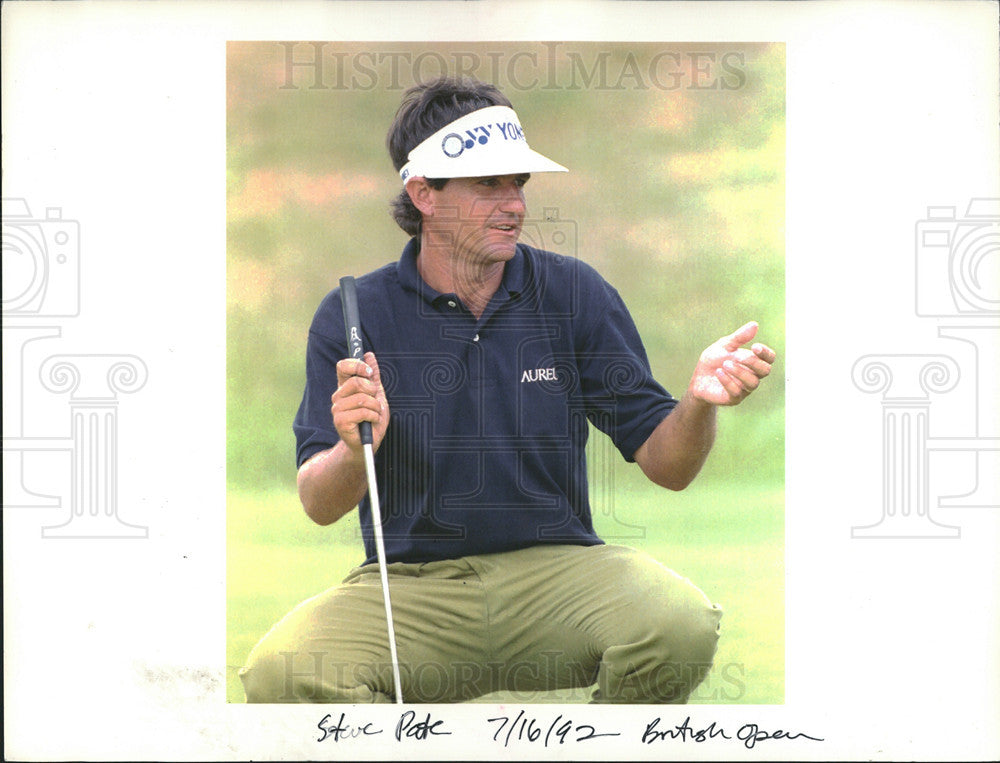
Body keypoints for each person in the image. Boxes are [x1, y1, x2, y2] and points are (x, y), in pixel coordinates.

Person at [240, 76, 776, 704]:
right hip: (412, 591)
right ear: (424, 194)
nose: (514, 204)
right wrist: (356, 453)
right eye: (487, 184)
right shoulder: (354, 313)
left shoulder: (574, 292)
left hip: (560, 574)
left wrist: (697, 405)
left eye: (518, 183)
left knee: (678, 623)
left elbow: (670, 465)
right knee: (283, 670)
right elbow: (319, 501)